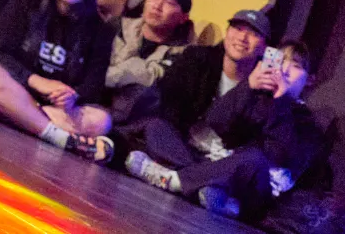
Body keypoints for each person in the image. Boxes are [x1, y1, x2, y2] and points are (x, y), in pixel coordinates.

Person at [127, 42, 324, 220]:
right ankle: (213, 194)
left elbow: (278, 155)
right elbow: (216, 122)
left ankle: (172, 180)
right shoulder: (257, 97)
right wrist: (248, 86)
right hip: (218, 165)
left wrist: (280, 101)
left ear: (310, 80)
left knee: (253, 158)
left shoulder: (308, 124)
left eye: (296, 65)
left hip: (254, 187)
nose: (285, 69)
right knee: (157, 127)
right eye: (282, 60)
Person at [0, 0, 118, 162]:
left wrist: (72, 96)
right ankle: (59, 137)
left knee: (101, 121)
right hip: (16, 86)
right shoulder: (30, 0)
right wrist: (36, 81)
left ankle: (7, 113)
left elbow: (94, 83)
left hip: (56, 104)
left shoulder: (99, 29)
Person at [119, 8, 272, 167]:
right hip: (180, 143)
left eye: (253, 34)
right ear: (227, 32)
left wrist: (271, 92)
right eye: (238, 29)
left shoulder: (265, 89)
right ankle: (189, 174)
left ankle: (181, 174)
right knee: (155, 127)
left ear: (264, 47)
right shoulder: (197, 59)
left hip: (221, 160)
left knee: (250, 162)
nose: (242, 38)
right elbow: (169, 105)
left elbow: (260, 143)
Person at [107, 0, 196, 92]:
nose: (157, 6)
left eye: (169, 3)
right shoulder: (116, 27)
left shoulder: (182, 55)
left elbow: (149, 78)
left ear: (183, 18)